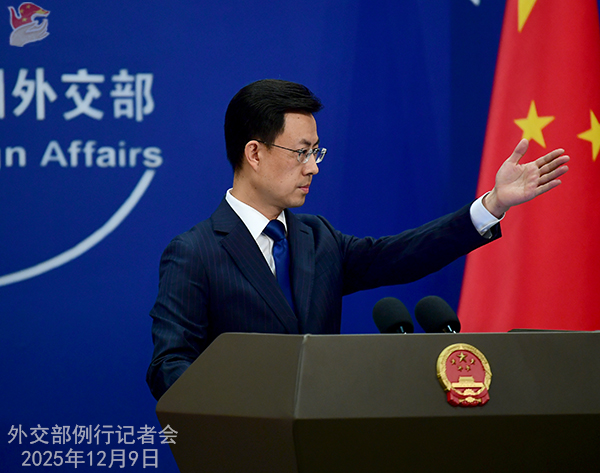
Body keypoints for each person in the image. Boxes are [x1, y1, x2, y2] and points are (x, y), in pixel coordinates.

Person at [146, 79, 569, 400]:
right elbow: (169, 365)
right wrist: (240, 405)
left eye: (316, 152)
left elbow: (401, 255)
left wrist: (493, 204)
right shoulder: (195, 252)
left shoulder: (317, 239)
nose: (313, 167)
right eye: (301, 152)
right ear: (254, 153)